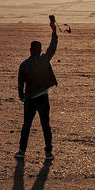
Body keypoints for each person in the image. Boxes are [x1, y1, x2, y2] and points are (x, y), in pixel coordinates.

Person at [15, 15, 58, 161]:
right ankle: (48, 153)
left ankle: (21, 151)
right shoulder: (44, 60)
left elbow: (21, 83)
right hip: (43, 98)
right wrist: (54, 32)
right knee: (46, 125)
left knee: (26, 126)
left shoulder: (24, 65)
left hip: (29, 99)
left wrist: (21, 95)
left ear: (29, 50)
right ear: (40, 51)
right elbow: (52, 48)